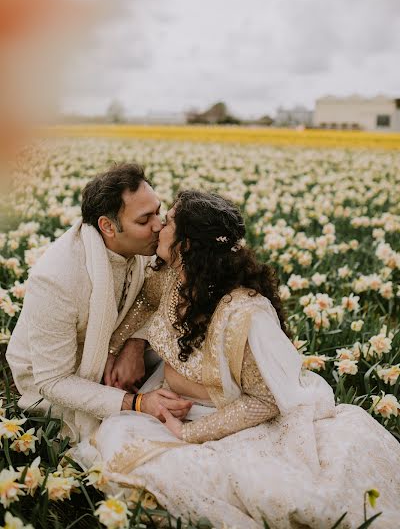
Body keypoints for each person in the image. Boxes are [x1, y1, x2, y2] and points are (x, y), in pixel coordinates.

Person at [73, 191, 400, 528]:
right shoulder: (173, 277)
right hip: (176, 403)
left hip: (228, 419)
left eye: (167, 220)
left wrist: (190, 434)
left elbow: (263, 400)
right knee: (114, 434)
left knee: (187, 473)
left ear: (185, 246)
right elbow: (145, 302)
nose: (158, 225)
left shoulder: (244, 314)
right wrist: (124, 346)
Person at [6, 163, 191, 443]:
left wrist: (132, 345)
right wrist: (137, 403)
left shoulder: (145, 244)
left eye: (158, 211)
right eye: (144, 220)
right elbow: (52, 381)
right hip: (56, 376)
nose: (159, 226)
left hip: (114, 346)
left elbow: (153, 297)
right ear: (107, 226)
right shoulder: (57, 279)